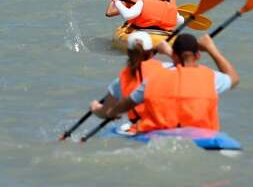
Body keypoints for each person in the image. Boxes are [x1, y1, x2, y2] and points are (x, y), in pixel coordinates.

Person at [92, 33, 238, 133]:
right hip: (203, 132)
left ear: (128, 53)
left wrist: (100, 109)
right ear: (198, 55)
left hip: (150, 129)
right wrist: (211, 48)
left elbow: (120, 106)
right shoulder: (205, 76)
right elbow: (233, 78)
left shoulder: (152, 78)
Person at [90, 31, 171, 127]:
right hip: (170, 122)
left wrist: (94, 108)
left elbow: (106, 112)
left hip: (141, 126)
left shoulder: (121, 81)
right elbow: (190, 71)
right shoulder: (168, 68)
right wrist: (168, 51)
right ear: (151, 52)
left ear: (128, 53)